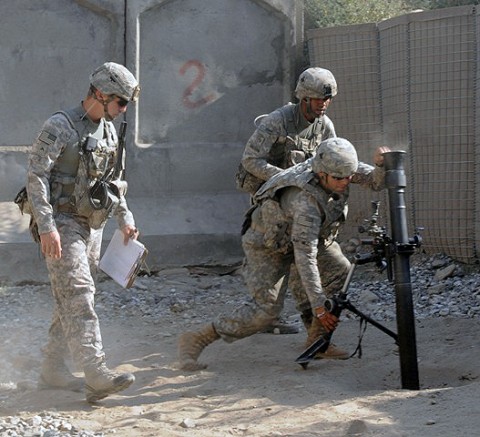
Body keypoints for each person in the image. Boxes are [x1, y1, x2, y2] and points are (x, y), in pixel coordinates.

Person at [178, 138, 390, 371]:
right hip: (268, 244)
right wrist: (320, 305)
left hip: (305, 238)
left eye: (348, 176)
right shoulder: (306, 202)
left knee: (341, 274)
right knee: (265, 311)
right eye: (338, 179)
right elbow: (305, 257)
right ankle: (200, 337)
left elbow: (375, 182)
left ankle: (317, 342)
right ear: (321, 173)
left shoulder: (339, 166)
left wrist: (382, 165)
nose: (345, 182)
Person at [27, 62, 141, 403]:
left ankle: (51, 367)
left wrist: (124, 217)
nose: (123, 111)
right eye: (120, 103)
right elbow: (35, 177)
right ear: (100, 93)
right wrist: (46, 226)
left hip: (91, 225)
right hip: (61, 223)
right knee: (79, 291)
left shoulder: (107, 131)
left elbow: (112, 185)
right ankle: (95, 372)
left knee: (69, 296)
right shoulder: (60, 126)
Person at [235, 67, 338, 334]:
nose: (323, 104)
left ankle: (310, 324)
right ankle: (263, 316)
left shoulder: (324, 127)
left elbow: (332, 159)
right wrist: (284, 177)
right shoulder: (277, 121)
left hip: (303, 204)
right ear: (304, 98)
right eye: (318, 100)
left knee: (303, 259)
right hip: (272, 203)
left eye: (327, 99)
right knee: (274, 262)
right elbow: (250, 159)